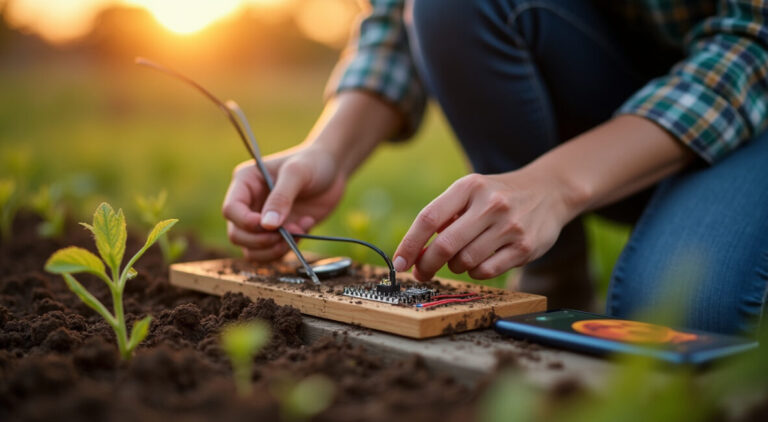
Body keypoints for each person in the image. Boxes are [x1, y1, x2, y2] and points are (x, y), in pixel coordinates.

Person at [223, 0, 768, 336]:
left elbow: (754, 41)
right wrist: (329, 150)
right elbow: (396, 19)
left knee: (676, 315)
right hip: (605, 75)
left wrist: (555, 186)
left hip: (748, 110)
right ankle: (555, 276)